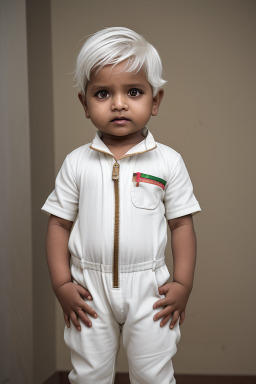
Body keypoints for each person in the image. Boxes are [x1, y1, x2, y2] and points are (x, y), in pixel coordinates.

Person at [41, 26, 201, 384]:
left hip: (150, 289)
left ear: (155, 100)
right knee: (89, 375)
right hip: (88, 290)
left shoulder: (168, 162)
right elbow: (58, 225)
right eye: (102, 93)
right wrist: (61, 283)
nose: (118, 103)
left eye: (133, 91)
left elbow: (181, 225)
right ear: (84, 104)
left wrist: (183, 284)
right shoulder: (76, 163)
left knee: (153, 375)